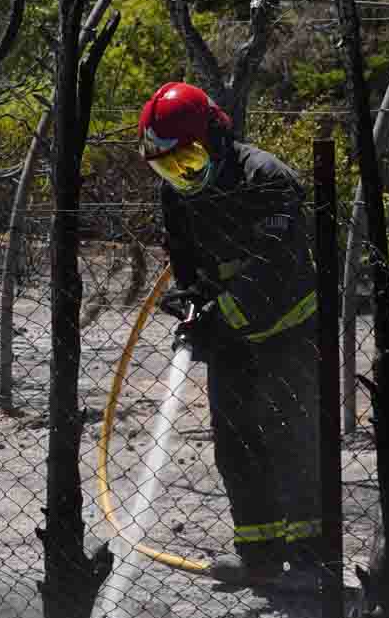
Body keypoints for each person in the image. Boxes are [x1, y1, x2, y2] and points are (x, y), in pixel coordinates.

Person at [138, 81, 322, 592]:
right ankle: (259, 557)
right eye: (168, 167)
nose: (181, 176)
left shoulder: (266, 178)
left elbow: (273, 266)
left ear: (215, 137)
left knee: (294, 443)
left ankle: (312, 560)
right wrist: (189, 297)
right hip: (231, 336)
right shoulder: (177, 193)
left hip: (288, 333)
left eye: (187, 161)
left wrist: (220, 315)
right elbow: (187, 260)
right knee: (236, 445)